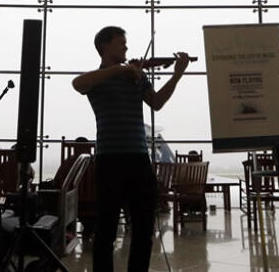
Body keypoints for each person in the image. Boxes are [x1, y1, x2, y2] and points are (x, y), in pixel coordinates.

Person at [72, 26, 190, 272]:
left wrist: (177, 75)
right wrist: (119, 70)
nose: (126, 47)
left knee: (144, 229)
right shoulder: (100, 77)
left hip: (138, 159)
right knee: (106, 229)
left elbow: (156, 103)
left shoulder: (137, 76)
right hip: (109, 160)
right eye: (121, 43)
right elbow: (77, 83)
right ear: (104, 46)